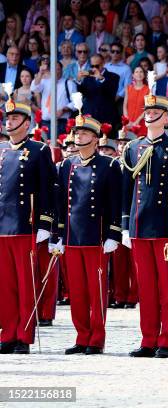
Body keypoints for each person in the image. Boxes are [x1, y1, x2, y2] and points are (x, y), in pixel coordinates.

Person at [122, 86, 168, 359]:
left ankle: (165, 339)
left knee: (166, 287)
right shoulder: (133, 147)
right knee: (146, 288)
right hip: (139, 226)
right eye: (147, 112)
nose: (150, 116)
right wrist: (126, 225)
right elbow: (127, 190)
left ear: (166, 118)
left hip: (165, 225)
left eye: (155, 112)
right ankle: (148, 338)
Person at [55, 111, 121, 356]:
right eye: (77, 132)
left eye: (84, 132)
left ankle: (96, 338)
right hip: (73, 236)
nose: (78, 136)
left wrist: (113, 234)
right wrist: (58, 235)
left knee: (96, 291)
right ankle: (81, 335)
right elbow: (61, 203)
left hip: (97, 236)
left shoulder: (109, 165)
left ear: (96, 138)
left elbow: (115, 202)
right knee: (77, 291)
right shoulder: (66, 165)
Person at [0, 95, 55, 355]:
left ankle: (23, 334)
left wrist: (45, 221)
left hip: (25, 223)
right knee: (5, 284)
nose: (9, 122)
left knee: (25, 283)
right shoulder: (0, 149)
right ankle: (8, 332)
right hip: (2, 225)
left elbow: (49, 188)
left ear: (26, 122)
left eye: (14, 118)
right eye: (7, 117)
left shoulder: (39, 150)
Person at [31, 61, 76, 134]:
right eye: (54, 69)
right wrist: (40, 73)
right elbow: (34, 88)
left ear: (62, 70)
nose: (56, 71)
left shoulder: (69, 83)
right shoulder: (45, 82)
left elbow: (76, 103)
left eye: (58, 69)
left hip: (61, 122)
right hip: (45, 122)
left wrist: (63, 110)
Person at [76, 53, 119, 126]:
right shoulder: (88, 77)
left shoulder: (113, 76)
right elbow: (83, 93)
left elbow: (111, 92)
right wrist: (79, 81)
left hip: (106, 116)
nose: (94, 68)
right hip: (90, 115)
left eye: (97, 66)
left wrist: (101, 79)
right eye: (92, 66)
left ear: (103, 64)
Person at [123, 65, 148, 134]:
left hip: (141, 122)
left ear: (144, 75)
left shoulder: (149, 89)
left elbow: (148, 108)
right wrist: (127, 120)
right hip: (128, 122)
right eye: (136, 72)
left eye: (141, 72)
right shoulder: (128, 88)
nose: (139, 74)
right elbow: (125, 105)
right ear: (133, 75)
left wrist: (137, 121)